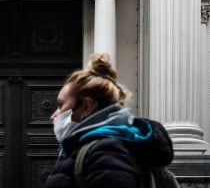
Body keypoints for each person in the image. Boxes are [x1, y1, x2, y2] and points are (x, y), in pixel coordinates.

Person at [45, 53, 174, 188]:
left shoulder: (104, 153)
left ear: (87, 106)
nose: (54, 115)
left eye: (60, 105)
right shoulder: (93, 149)